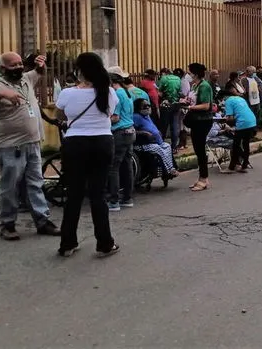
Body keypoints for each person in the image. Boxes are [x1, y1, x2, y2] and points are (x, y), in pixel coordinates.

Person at [0, 52, 60, 239]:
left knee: (35, 184)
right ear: (3, 68)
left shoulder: (26, 79)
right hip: (11, 146)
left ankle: (42, 221)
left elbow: (39, 71)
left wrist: (41, 63)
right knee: (10, 187)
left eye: (20, 63)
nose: (19, 67)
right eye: (14, 65)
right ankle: (8, 224)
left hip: (32, 143)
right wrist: (2, 93)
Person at [54, 52, 119, 257]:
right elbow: (109, 114)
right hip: (102, 142)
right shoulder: (108, 92)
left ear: (79, 70)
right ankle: (105, 243)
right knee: (98, 195)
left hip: (75, 143)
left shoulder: (67, 93)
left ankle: (67, 244)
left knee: (74, 195)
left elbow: (60, 115)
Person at [108, 70, 136, 211]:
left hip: (120, 132)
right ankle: (127, 198)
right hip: (130, 131)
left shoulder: (117, 94)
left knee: (114, 167)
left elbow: (115, 117)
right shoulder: (127, 93)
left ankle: (114, 201)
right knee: (127, 165)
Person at [132, 98, 178, 178]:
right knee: (158, 149)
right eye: (145, 106)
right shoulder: (136, 117)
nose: (147, 108)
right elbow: (132, 130)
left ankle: (171, 168)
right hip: (143, 144)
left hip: (155, 142)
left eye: (148, 106)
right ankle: (168, 170)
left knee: (167, 146)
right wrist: (144, 133)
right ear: (139, 107)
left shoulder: (147, 116)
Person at [186, 63, 214, 191]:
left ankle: (203, 179)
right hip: (195, 120)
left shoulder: (204, 86)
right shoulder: (195, 86)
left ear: (196, 74)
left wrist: (190, 107)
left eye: (190, 72)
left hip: (203, 121)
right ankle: (202, 178)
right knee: (198, 150)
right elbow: (193, 100)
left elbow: (206, 105)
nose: (189, 75)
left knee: (200, 150)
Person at [223, 81, 258, 173]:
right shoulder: (240, 98)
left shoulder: (228, 101)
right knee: (246, 145)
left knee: (236, 146)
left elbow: (229, 118)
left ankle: (231, 167)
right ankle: (244, 166)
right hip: (252, 121)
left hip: (243, 123)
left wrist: (225, 122)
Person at [157, 68, 182, 151]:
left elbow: (160, 94)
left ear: (165, 73)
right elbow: (180, 92)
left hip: (166, 105)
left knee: (164, 125)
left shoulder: (164, 79)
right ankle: (174, 147)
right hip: (176, 105)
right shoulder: (178, 79)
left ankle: (161, 146)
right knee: (175, 126)